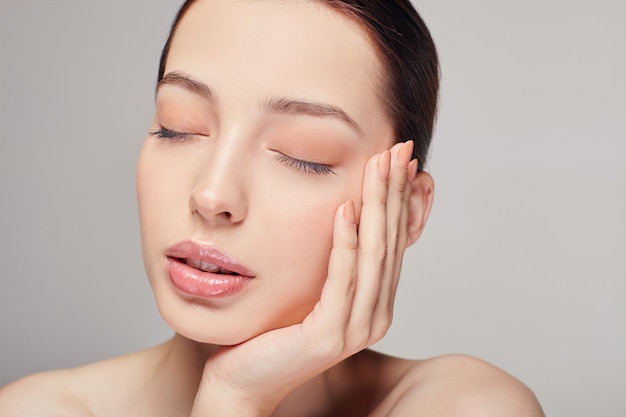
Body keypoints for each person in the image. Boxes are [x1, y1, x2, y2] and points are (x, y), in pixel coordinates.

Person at [0, 1, 544, 415]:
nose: (212, 196)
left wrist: (235, 396)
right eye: (178, 127)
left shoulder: (459, 405)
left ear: (404, 212)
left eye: (302, 156)